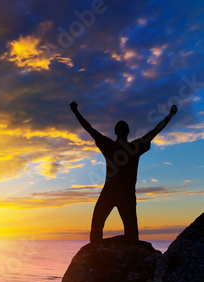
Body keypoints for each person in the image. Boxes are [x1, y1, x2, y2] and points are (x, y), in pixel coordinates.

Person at [70, 101, 178, 243]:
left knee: (97, 225)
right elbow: (155, 131)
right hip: (126, 195)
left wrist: (75, 111)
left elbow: (89, 129)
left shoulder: (109, 145)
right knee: (130, 234)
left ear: (116, 132)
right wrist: (170, 115)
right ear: (128, 132)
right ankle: (104, 249)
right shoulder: (135, 147)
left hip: (110, 193)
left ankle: (95, 252)